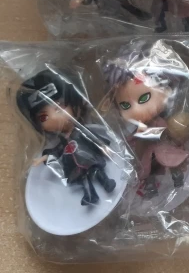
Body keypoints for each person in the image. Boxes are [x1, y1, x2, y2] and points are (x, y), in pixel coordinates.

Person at [102, 41, 189, 198]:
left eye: (144, 98)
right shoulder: (139, 127)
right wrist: (123, 143)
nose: (136, 110)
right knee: (148, 169)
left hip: (162, 148)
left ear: (166, 91)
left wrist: (175, 136)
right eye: (125, 105)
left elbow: (166, 133)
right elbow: (133, 138)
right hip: (149, 153)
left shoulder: (160, 121)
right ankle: (151, 185)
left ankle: (176, 175)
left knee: (169, 160)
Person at [17, 70, 116, 205]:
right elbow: (56, 151)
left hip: (89, 159)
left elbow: (93, 138)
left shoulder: (81, 131)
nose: (54, 117)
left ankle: (106, 183)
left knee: (97, 171)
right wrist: (42, 158)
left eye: (60, 107)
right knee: (84, 180)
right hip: (76, 167)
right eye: (43, 117)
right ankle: (90, 195)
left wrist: (103, 146)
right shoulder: (62, 142)